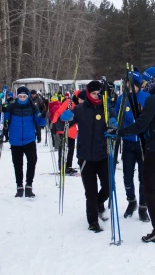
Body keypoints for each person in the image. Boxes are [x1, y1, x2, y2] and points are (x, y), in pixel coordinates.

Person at [115, 65, 155, 243]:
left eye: (144, 82)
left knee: (150, 189)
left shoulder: (154, 99)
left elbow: (141, 125)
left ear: (151, 81)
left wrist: (119, 132)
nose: (142, 86)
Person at [59, 80, 115, 233]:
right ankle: (92, 221)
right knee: (90, 191)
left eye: (99, 93)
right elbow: (60, 126)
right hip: (85, 157)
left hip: (103, 155)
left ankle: (98, 203)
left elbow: (116, 129)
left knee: (109, 187)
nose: (96, 96)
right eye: (93, 93)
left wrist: (113, 127)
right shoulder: (79, 109)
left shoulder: (107, 109)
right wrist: (64, 119)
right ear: (88, 94)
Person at [115, 67, 151, 221]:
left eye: (132, 84)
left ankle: (143, 207)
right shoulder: (121, 99)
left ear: (138, 85)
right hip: (128, 143)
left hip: (143, 143)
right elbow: (116, 117)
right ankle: (132, 202)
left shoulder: (147, 97)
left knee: (144, 177)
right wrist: (113, 121)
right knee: (127, 176)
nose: (129, 87)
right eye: (127, 84)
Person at [0, 86, 44, 198]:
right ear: (17, 96)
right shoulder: (12, 106)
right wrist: (0, 111)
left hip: (29, 139)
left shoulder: (32, 107)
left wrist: (43, 115)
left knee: (32, 161)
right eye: (20, 96)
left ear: (27, 96)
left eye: (24, 96)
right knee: (18, 164)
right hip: (15, 140)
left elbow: (41, 122)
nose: (22, 98)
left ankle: (29, 185)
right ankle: (19, 186)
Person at [52, 90, 80, 175]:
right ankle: (62, 166)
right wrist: (54, 123)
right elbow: (58, 112)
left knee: (71, 149)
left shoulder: (80, 106)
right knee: (63, 148)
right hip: (63, 129)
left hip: (72, 130)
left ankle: (68, 166)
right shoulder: (69, 103)